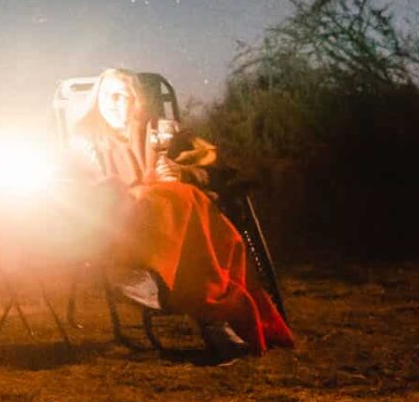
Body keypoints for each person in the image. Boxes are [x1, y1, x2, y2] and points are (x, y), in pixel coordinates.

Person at [67, 68, 293, 357]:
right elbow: (87, 191)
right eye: (105, 96)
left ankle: (217, 316)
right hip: (127, 225)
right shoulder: (86, 140)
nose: (112, 102)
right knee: (173, 199)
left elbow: (213, 164)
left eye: (120, 95)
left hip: (177, 224)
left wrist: (183, 172)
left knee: (181, 196)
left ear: (135, 101)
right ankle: (215, 318)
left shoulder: (161, 131)